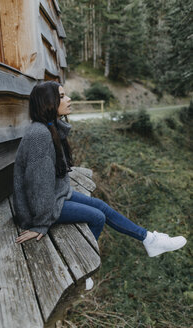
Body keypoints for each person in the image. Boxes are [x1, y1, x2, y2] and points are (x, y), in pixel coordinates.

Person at [13, 81, 187, 289]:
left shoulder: (49, 128)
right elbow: (37, 187)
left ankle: (149, 239)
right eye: (62, 96)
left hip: (53, 196)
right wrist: (40, 223)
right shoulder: (40, 135)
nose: (69, 99)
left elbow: (46, 180)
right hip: (37, 209)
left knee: (101, 206)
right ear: (48, 102)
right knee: (97, 217)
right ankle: (80, 270)